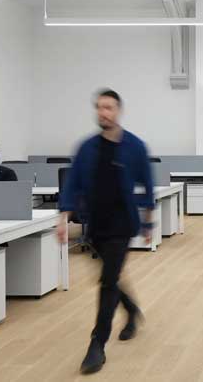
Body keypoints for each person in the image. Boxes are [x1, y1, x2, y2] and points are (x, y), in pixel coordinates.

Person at [57, 89, 154, 375]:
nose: (104, 112)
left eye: (109, 107)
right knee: (108, 277)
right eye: (99, 107)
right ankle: (132, 309)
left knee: (107, 282)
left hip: (122, 224)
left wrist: (148, 223)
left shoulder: (134, 146)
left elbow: (147, 184)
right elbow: (72, 183)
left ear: (118, 110)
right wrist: (62, 219)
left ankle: (97, 345)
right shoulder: (87, 147)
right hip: (95, 224)